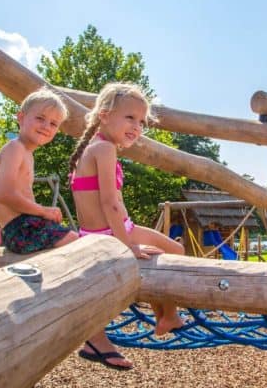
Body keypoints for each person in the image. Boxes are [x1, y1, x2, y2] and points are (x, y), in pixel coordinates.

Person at [69, 82, 185, 368]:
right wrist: (127, 244)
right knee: (173, 253)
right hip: (112, 232)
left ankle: (165, 316)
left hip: (105, 230)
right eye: (130, 118)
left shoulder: (96, 147)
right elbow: (109, 202)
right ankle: (167, 315)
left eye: (141, 121)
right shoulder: (104, 149)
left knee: (172, 249)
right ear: (104, 115)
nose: (137, 126)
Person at [0, 88, 78, 254]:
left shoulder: (27, 153)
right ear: (21, 118)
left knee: (77, 240)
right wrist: (44, 211)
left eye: (53, 124)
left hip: (25, 225)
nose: (46, 126)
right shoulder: (15, 148)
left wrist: (43, 213)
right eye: (40, 118)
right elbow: (5, 194)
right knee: (73, 241)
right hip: (18, 230)